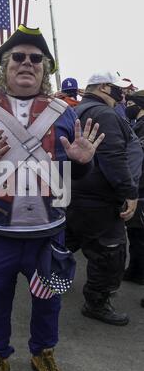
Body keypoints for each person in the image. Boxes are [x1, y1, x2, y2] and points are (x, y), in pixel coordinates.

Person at [0, 24, 104, 371]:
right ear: (5, 66)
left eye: (36, 59)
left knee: (49, 301)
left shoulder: (63, 113)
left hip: (48, 235)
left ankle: (42, 353)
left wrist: (83, 165)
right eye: (17, 56)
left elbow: (73, 173)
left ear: (45, 69)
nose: (27, 63)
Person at [66, 71, 138, 326]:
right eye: (120, 88)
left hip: (72, 193)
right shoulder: (105, 114)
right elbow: (113, 158)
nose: (124, 94)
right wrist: (129, 193)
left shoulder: (75, 110)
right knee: (110, 253)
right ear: (105, 88)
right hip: (98, 199)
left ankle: (48, 281)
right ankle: (96, 303)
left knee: (65, 242)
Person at [122, 90, 144, 285]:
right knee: (135, 233)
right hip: (138, 185)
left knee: (140, 234)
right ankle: (135, 270)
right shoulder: (137, 125)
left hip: (142, 186)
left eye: (129, 105)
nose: (127, 108)